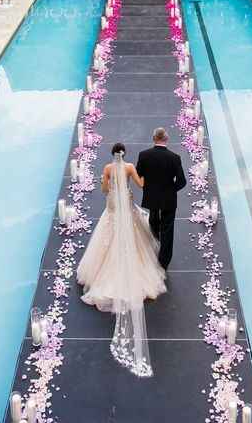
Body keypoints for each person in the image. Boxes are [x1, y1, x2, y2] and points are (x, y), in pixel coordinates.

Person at [77, 143, 166, 378]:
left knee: (108, 232)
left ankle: (103, 271)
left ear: (111, 154)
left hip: (114, 205)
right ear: (124, 153)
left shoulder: (107, 168)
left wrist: (103, 181)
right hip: (125, 202)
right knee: (135, 233)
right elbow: (141, 184)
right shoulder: (128, 167)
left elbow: (105, 190)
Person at [136, 127, 187, 271]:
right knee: (168, 228)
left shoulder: (144, 155)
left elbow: (138, 174)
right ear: (167, 139)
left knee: (153, 219)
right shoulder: (175, 158)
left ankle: (154, 243)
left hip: (151, 196)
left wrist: (149, 186)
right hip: (169, 199)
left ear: (154, 138)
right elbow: (182, 181)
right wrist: (171, 190)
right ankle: (163, 262)